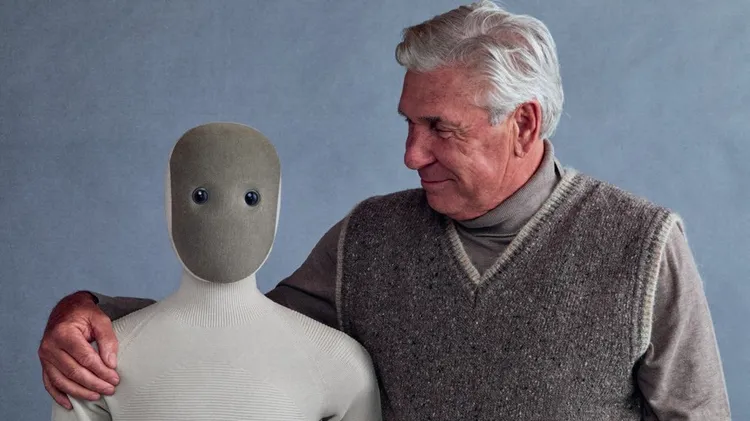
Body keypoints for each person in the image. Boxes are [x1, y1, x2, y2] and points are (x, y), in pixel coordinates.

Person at [39, 1, 731, 419]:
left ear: (522, 124)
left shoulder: (642, 245)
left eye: (439, 128)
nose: (411, 154)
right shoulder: (369, 238)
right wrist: (87, 311)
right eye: (408, 123)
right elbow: (242, 329)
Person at [50, 122, 381, 421]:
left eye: (250, 198)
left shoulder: (340, 363)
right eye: (201, 196)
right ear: (171, 198)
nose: (225, 213)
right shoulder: (90, 364)